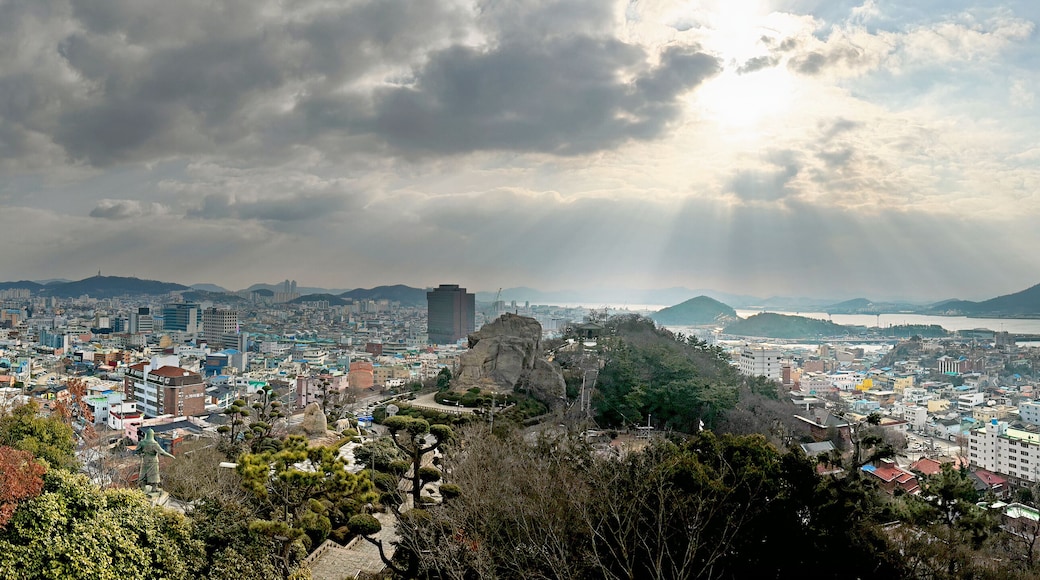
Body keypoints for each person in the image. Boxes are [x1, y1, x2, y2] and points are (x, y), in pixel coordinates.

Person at [137, 428, 174, 493]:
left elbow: (137, 451)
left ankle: (142, 486)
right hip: (153, 461)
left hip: (145, 460)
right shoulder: (154, 444)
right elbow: (162, 452)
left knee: (143, 473)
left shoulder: (142, 443)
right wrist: (171, 456)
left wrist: (141, 454)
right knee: (154, 474)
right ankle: (154, 488)